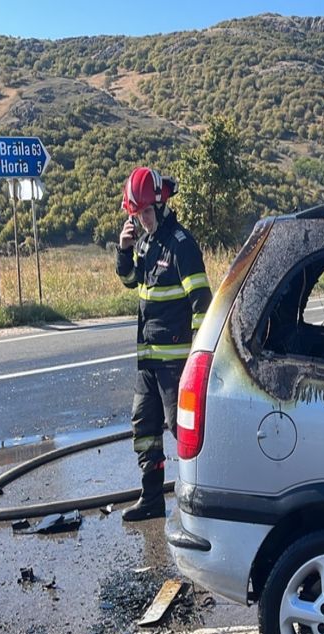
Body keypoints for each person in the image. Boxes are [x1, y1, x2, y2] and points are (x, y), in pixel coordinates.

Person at [116, 166, 212, 521]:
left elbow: (202, 302)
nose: (142, 220)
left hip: (175, 363)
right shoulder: (145, 243)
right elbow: (130, 280)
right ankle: (152, 499)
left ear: (160, 205)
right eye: (136, 214)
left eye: (146, 212)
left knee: (183, 429)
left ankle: (203, 497)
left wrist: (199, 358)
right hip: (148, 361)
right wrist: (124, 250)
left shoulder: (181, 245)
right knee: (144, 428)